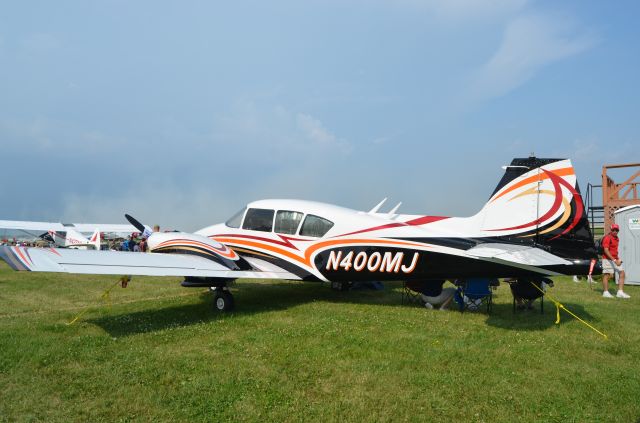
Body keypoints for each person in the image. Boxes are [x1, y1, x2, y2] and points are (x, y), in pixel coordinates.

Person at [601, 224, 630, 299]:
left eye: (616, 230)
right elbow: (606, 250)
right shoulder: (607, 238)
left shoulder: (617, 238)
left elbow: (614, 250)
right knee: (607, 275)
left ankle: (620, 292)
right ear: (611, 230)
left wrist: (617, 259)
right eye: (613, 230)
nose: (615, 231)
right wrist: (614, 260)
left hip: (615, 259)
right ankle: (605, 292)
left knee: (622, 273)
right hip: (607, 259)